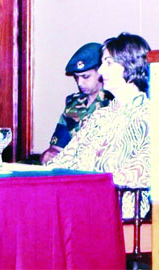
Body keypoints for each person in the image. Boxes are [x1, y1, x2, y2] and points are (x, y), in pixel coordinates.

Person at [49, 32, 151, 217]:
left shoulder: (148, 116)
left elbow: (142, 171)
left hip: (120, 219)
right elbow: (62, 161)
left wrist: (87, 184)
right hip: (80, 208)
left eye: (109, 63)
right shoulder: (99, 117)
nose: (102, 71)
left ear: (131, 64)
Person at [40, 42, 114, 165]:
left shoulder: (113, 103)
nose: (80, 83)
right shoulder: (73, 105)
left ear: (101, 72)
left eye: (85, 77)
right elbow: (58, 147)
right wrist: (49, 155)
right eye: (76, 78)